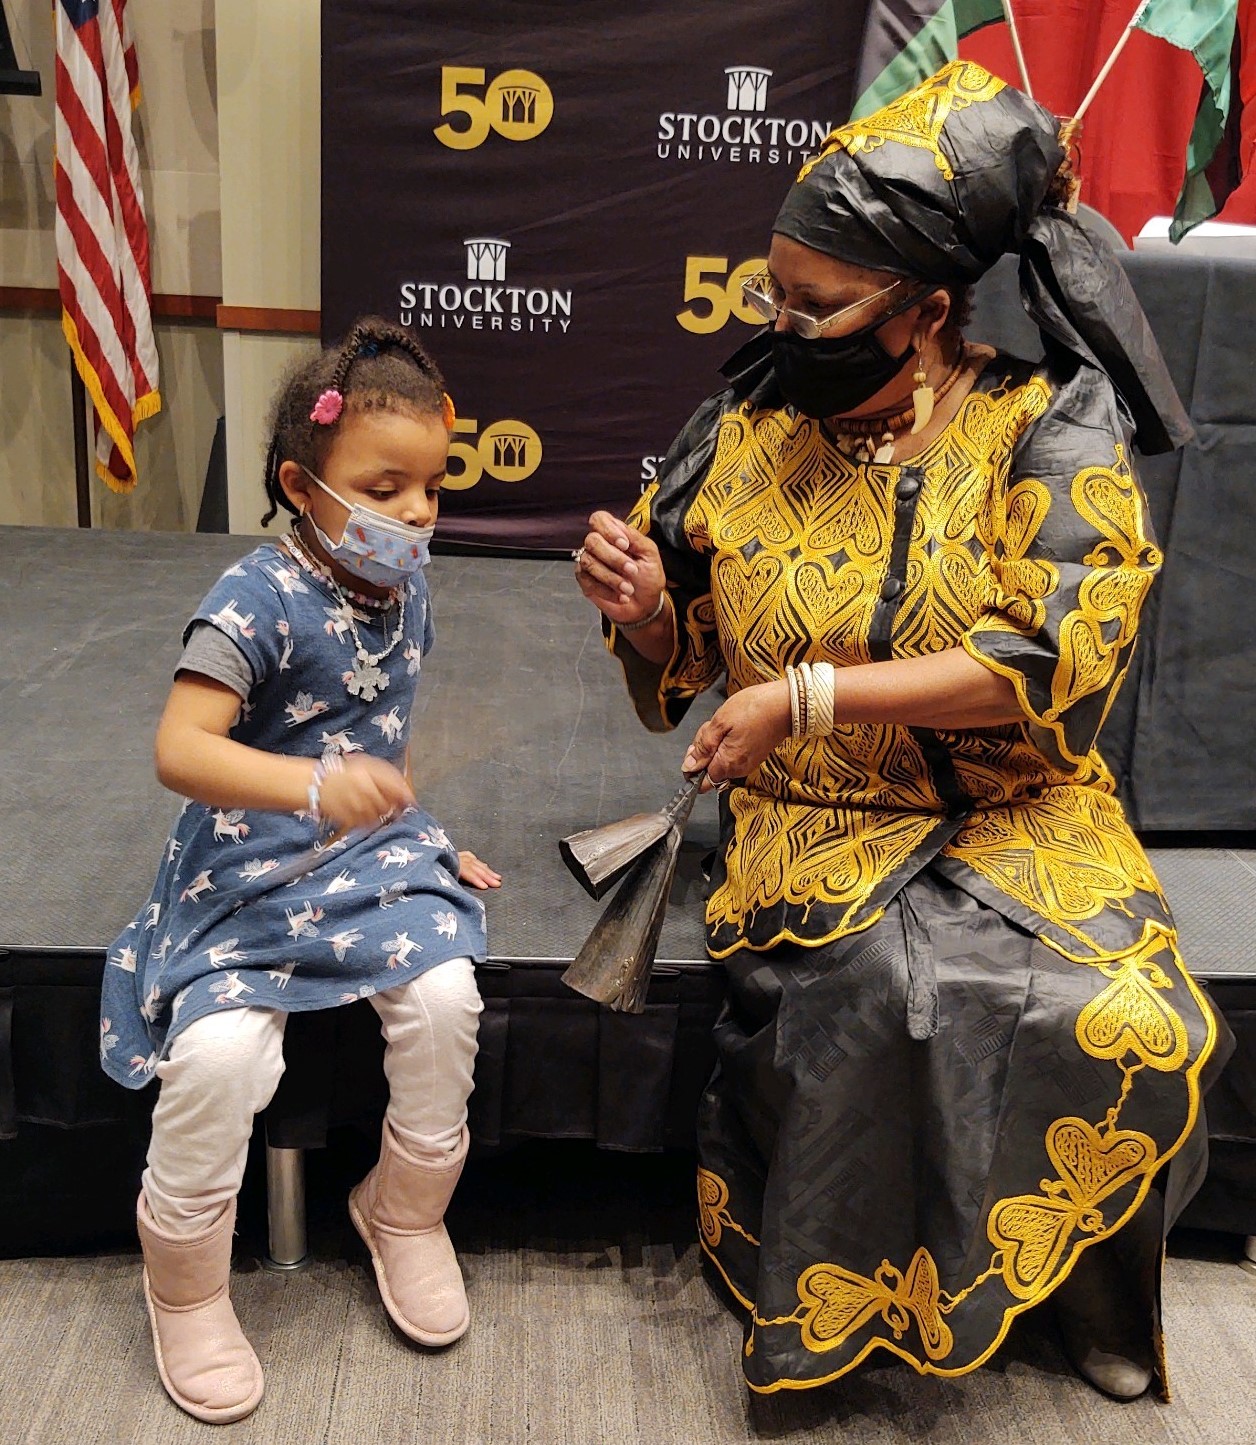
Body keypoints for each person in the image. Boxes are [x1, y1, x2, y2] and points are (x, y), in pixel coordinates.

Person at [575, 61, 1230, 1402]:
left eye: (817, 308)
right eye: (775, 295)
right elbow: (696, 652)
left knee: (1120, 1002)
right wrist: (650, 613)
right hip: (817, 814)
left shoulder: (1047, 424)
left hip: (1016, 812)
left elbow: (1047, 657)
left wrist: (808, 691)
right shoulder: (749, 431)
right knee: (886, 994)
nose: (783, 326)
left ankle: (1086, 1279)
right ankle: (851, 1302)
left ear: (925, 311)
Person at [101, 318, 501, 1425]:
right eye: (388, 485)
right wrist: (313, 788)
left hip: (371, 853)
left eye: (434, 483)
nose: (419, 512)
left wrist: (421, 830)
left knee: (446, 994)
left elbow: (386, 734)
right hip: (251, 863)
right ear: (299, 481)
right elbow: (181, 750)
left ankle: (404, 1211)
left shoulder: (406, 584)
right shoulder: (252, 597)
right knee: (223, 1054)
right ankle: (182, 1282)